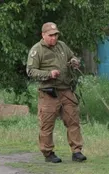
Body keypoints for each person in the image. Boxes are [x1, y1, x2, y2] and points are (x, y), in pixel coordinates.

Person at [26, 22, 87, 163]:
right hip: (49, 92)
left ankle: (77, 151)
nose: (54, 38)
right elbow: (30, 71)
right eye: (51, 35)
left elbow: (72, 56)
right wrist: (49, 74)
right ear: (43, 35)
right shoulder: (37, 50)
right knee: (47, 125)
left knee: (73, 121)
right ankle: (48, 153)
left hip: (66, 90)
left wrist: (74, 61)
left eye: (56, 35)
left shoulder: (62, 46)